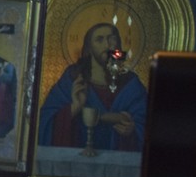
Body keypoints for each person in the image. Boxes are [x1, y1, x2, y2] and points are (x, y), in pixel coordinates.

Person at [37, 22, 147, 151]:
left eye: (112, 38)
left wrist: (132, 129)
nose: (107, 44)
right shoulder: (73, 78)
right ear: (89, 47)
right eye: (99, 39)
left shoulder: (131, 82)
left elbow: (147, 124)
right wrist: (74, 108)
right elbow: (45, 122)